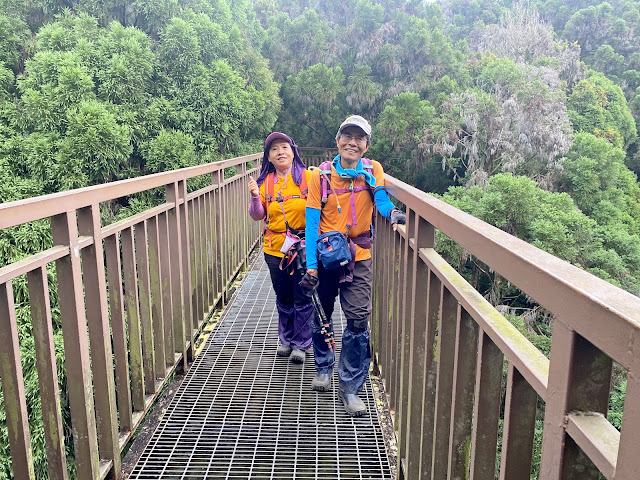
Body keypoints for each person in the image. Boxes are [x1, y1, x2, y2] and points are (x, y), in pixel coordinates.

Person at [300, 115, 406, 417]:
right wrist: (311, 266)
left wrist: (394, 213)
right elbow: (310, 225)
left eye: (359, 138)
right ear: (338, 141)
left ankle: (350, 386)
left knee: (358, 320)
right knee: (321, 312)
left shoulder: (373, 170)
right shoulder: (320, 176)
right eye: (347, 136)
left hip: (359, 254)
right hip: (326, 254)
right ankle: (323, 366)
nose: (352, 142)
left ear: (366, 145)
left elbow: (381, 200)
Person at [248, 132, 313, 364]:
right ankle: (285, 339)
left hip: (304, 248)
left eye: (285, 147)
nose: (280, 152)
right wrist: (255, 197)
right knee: (283, 295)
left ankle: (301, 343)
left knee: (302, 295)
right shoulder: (264, 182)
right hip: (275, 248)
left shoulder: (308, 178)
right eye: (274, 149)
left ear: (293, 151)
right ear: (269, 157)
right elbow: (257, 216)